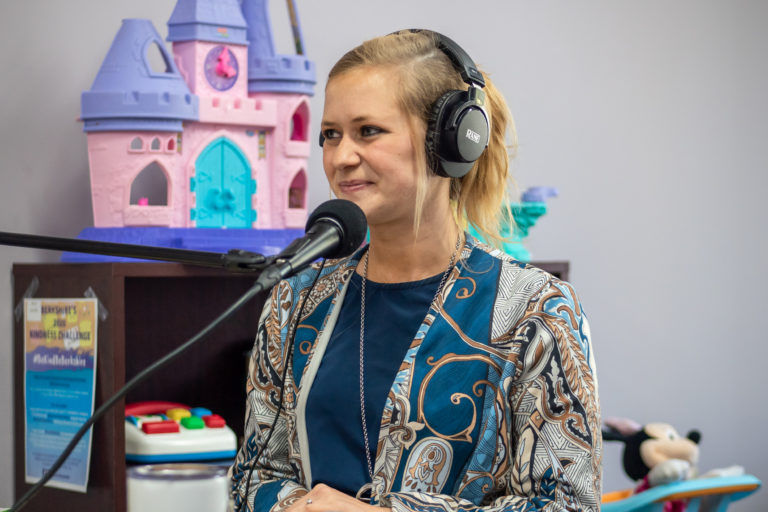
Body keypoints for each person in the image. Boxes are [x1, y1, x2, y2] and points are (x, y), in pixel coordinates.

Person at [230, 29, 601, 512]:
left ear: (447, 141)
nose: (341, 157)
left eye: (368, 131)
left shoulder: (536, 312)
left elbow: (568, 506)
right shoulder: (296, 301)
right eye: (330, 135)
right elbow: (253, 477)